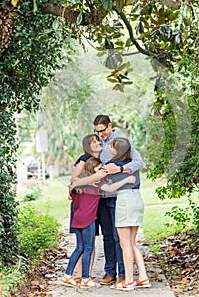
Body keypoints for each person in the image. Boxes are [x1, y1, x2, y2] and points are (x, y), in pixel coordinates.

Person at [62, 157, 136, 289]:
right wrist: (127, 180)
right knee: (88, 249)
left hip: (77, 219)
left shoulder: (80, 185)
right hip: (88, 220)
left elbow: (70, 196)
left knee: (80, 248)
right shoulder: (97, 185)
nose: (102, 169)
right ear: (92, 169)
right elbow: (111, 188)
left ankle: (67, 275)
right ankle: (85, 278)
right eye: (99, 167)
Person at [93, 114, 145, 285]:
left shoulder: (122, 142)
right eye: (97, 131)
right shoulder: (97, 143)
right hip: (102, 196)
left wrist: (120, 169)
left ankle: (124, 274)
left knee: (119, 238)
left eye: (103, 130)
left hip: (119, 197)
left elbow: (138, 162)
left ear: (110, 125)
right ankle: (110, 272)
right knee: (107, 236)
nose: (101, 134)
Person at [107, 137, 151, 291]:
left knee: (124, 244)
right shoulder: (132, 165)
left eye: (111, 146)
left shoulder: (111, 166)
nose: (109, 148)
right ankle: (143, 277)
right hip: (137, 199)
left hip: (124, 200)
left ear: (116, 150)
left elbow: (106, 186)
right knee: (132, 243)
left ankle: (129, 281)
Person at [68, 134, 103, 284]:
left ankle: (86, 275)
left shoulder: (101, 159)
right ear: (88, 146)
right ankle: (80, 275)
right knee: (85, 245)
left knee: (89, 243)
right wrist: (94, 180)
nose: (97, 143)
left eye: (98, 140)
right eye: (93, 142)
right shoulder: (84, 160)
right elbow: (74, 179)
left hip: (92, 203)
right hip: (83, 205)